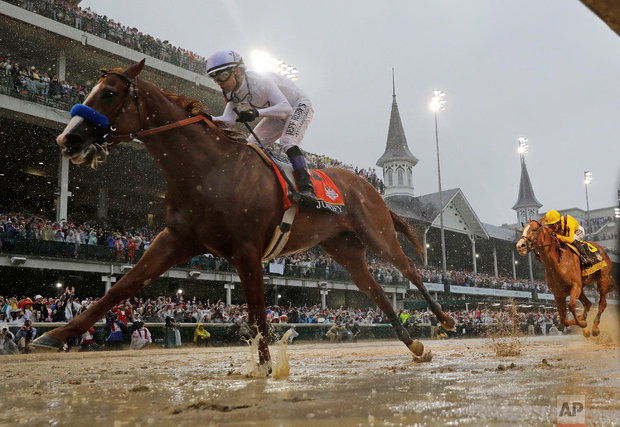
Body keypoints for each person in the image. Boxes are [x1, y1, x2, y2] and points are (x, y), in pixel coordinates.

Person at [205, 49, 317, 205]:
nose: (220, 83)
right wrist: (207, 118)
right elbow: (228, 121)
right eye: (215, 79)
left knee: (288, 141)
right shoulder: (231, 93)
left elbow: (286, 109)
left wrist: (256, 112)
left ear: (237, 71)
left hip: (298, 104)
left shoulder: (260, 81)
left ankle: (307, 187)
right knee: (250, 146)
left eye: (222, 76)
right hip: (277, 112)